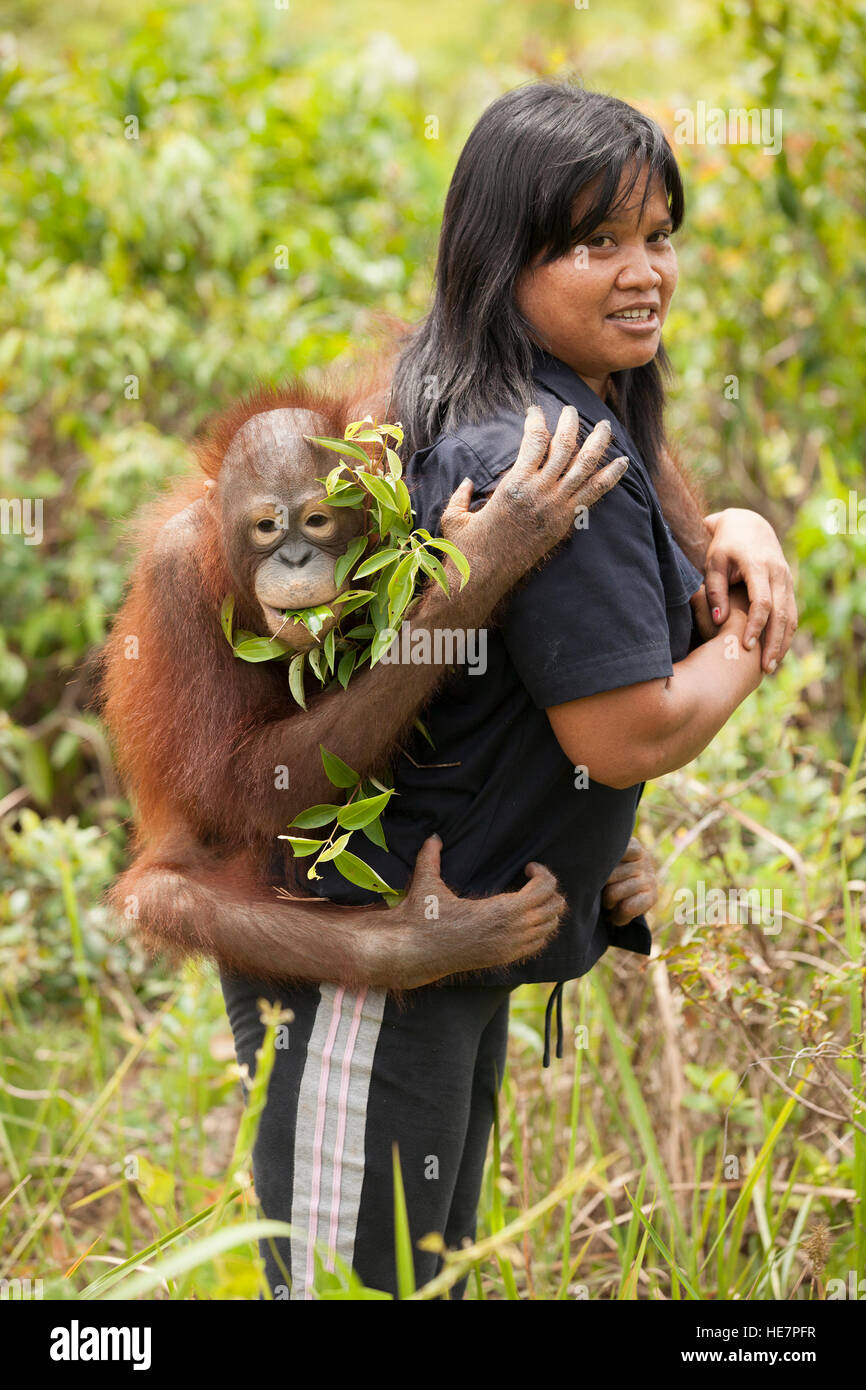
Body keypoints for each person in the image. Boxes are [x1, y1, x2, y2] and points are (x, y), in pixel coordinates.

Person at [220, 82, 797, 1300]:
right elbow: (625, 728)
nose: (643, 272)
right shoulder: (537, 459)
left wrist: (738, 528)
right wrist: (750, 639)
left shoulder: (496, 399)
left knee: (416, 1280)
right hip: (371, 953)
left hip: (450, 947)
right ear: (503, 258)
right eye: (596, 242)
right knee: (346, 1291)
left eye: (656, 236)